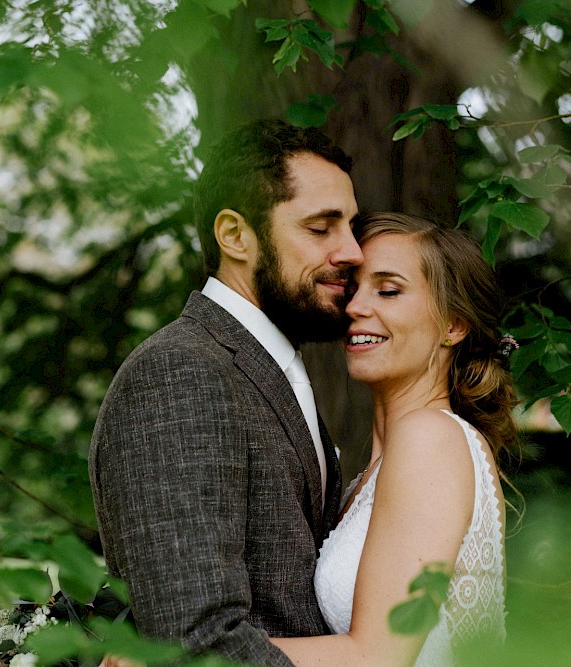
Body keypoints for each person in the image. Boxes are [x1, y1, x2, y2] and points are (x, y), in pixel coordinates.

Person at [88, 118, 362, 666]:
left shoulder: (267, 369)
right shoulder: (179, 375)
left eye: (351, 226)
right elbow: (194, 646)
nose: (353, 251)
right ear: (235, 235)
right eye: (321, 227)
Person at [269, 212, 520, 666]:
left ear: (453, 325)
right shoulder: (372, 474)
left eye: (388, 290)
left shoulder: (430, 439)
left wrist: (182, 657)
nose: (355, 307)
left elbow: (375, 658)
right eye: (352, 288)